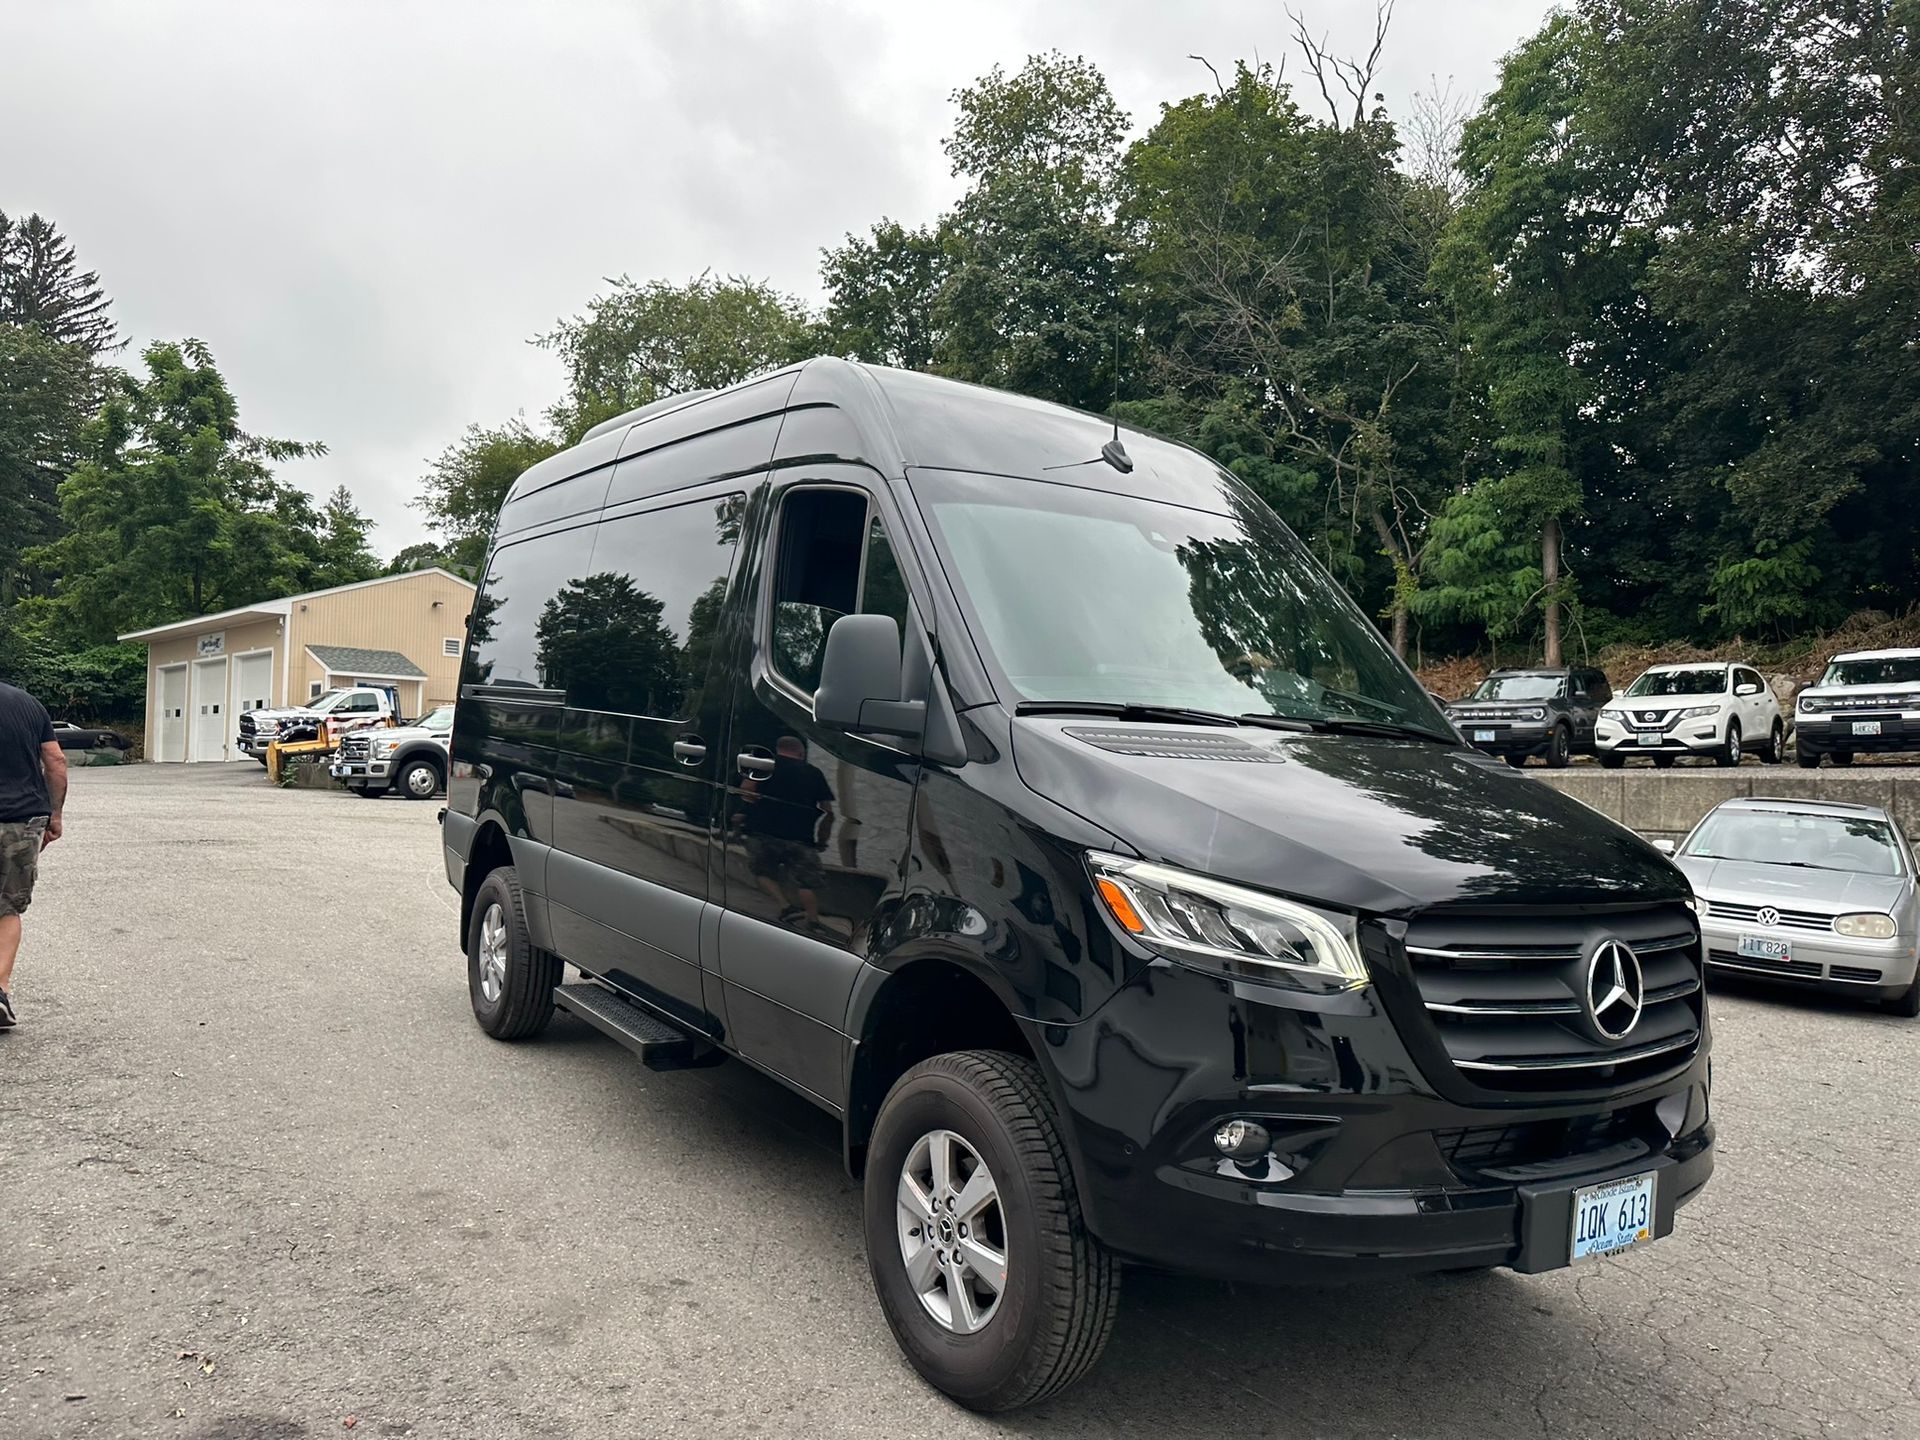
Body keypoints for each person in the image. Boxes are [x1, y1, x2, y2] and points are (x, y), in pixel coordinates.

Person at [0, 679, 66, 1028]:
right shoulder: (27, 702)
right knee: (8, 906)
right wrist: (55, 815)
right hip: (22, 819)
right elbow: (55, 760)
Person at [738, 735, 834, 929]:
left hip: (763, 832)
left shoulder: (765, 766)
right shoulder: (814, 772)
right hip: (801, 837)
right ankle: (813, 920)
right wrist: (822, 840)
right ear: (801, 753)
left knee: (761, 872)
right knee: (806, 882)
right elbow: (828, 813)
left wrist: (751, 811)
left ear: (778, 749)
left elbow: (747, 792)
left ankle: (785, 906)